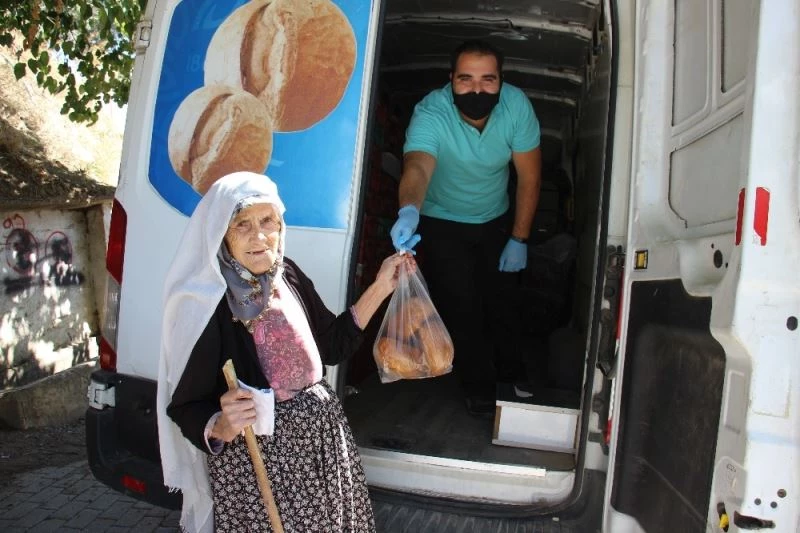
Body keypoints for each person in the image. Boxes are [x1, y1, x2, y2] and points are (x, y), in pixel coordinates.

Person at [156, 171, 411, 533]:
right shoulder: (207, 303)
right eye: (242, 224)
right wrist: (222, 423)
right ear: (220, 234)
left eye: (267, 221)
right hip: (263, 465)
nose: (259, 236)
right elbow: (185, 406)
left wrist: (382, 286)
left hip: (322, 447)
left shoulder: (287, 276)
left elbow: (332, 345)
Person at [389, 39, 542, 415]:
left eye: (488, 80)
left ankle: (514, 372)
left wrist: (519, 237)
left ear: (501, 81)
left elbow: (529, 178)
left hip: (495, 220)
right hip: (442, 222)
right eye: (466, 79)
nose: (477, 89)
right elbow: (418, 167)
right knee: (461, 305)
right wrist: (409, 209)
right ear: (450, 80)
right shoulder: (431, 112)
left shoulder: (516, 107)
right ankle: (478, 386)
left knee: (503, 300)